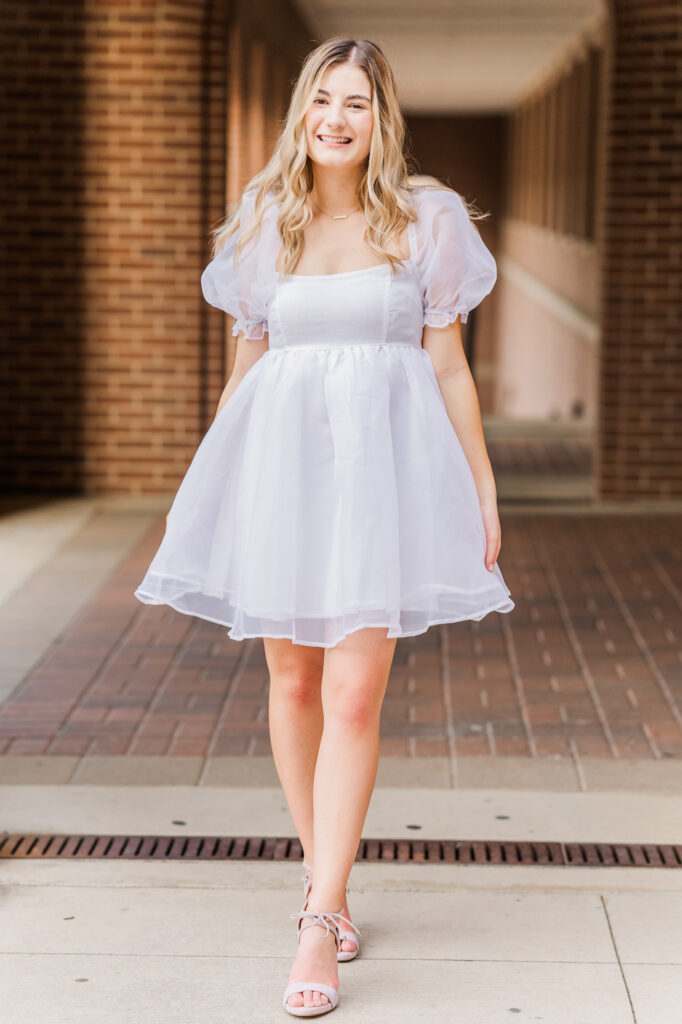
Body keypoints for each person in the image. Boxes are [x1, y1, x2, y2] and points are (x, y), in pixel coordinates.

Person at [134, 35, 515, 1018]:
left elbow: (444, 367)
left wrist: (480, 485)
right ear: (300, 113)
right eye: (322, 102)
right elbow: (246, 371)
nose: (336, 120)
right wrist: (206, 497)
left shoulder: (423, 221)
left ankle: (319, 915)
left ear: (380, 119)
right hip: (280, 473)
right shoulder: (267, 222)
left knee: (352, 696)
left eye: (356, 104)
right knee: (292, 679)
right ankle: (327, 877)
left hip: (378, 483)